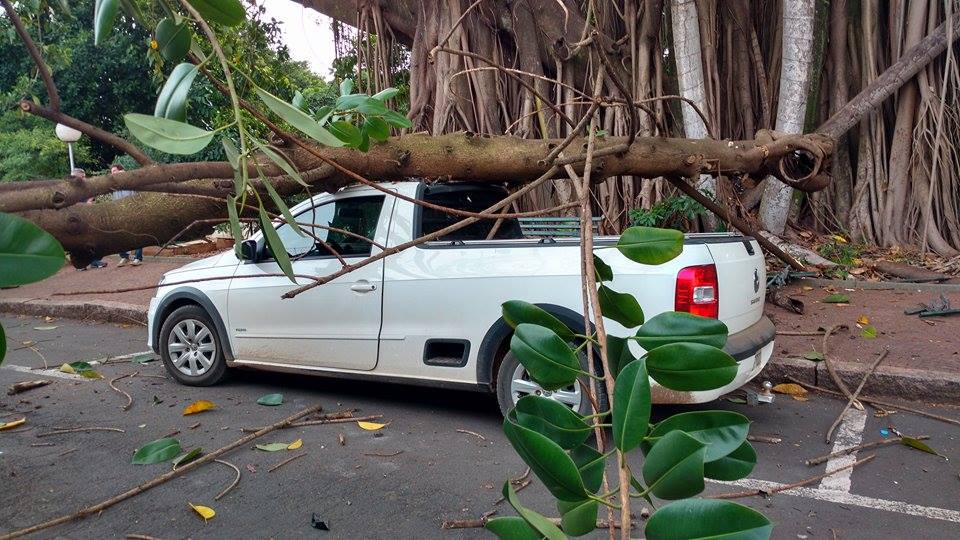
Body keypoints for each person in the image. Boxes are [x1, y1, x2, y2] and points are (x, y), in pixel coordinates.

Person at [73, 168, 107, 269]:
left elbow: (92, 199)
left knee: (90, 239)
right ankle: (83, 263)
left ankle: (92, 262)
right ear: (76, 176)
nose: (85, 178)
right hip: (76, 219)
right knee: (81, 241)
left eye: (84, 177)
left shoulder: (84, 187)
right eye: (82, 177)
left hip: (87, 217)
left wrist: (91, 200)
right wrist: (86, 204)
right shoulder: (69, 188)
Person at [110, 164, 143, 267]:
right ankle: (124, 256)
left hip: (132, 210)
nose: (113, 173)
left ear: (122, 170)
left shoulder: (131, 180)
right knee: (120, 235)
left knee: (136, 234)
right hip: (120, 212)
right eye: (112, 172)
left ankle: (138, 258)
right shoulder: (114, 184)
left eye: (114, 171)